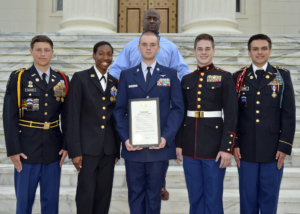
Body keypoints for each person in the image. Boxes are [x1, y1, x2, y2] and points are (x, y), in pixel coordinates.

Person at [110, 8, 190, 200]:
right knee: (137, 183)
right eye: (149, 18)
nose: (152, 21)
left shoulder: (169, 47)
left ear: (161, 22)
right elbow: (115, 71)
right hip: (135, 117)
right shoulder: (131, 47)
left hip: (160, 114)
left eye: (155, 18)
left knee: (159, 158)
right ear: (143, 21)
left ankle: (160, 184)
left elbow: (183, 70)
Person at [3, 35, 69, 214]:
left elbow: (68, 115)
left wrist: (66, 144)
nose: (43, 54)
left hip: (53, 149)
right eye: (38, 50)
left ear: (52, 52)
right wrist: (13, 149)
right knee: (24, 201)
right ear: (31, 52)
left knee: (51, 201)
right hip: (26, 149)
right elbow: (9, 116)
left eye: (47, 50)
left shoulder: (61, 79)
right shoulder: (20, 77)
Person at [233, 34, 295, 214]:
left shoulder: (281, 76)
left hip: (273, 150)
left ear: (270, 50)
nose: (259, 52)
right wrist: (234, 143)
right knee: (248, 199)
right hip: (245, 148)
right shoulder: (238, 77)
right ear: (249, 51)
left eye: (263, 48)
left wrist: (284, 145)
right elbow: (233, 114)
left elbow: (289, 113)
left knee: (269, 198)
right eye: (255, 49)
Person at [175, 33, 237, 214]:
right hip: (190, 147)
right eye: (200, 49)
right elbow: (181, 114)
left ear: (214, 51)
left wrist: (227, 147)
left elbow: (231, 115)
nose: (203, 53)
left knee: (213, 198)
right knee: (195, 197)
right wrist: (178, 144)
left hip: (214, 147)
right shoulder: (187, 79)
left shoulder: (224, 77)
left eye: (207, 49)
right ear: (194, 51)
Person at [66, 41, 120, 214]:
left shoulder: (113, 82)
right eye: (101, 53)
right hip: (87, 149)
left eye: (109, 54)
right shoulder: (80, 78)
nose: (105, 58)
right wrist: (74, 151)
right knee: (86, 193)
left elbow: (115, 117)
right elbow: (72, 116)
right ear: (94, 55)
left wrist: (116, 150)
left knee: (104, 194)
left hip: (108, 149)